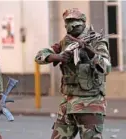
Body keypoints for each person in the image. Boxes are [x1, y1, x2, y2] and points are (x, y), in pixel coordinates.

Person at [35, 8, 111, 139]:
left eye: (75, 21)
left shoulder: (96, 40)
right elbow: (40, 56)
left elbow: (107, 67)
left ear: (83, 22)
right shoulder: (65, 42)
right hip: (68, 104)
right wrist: (57, 57)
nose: (72, 25)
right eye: (68, 21)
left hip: (90, 104)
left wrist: (89, 51)